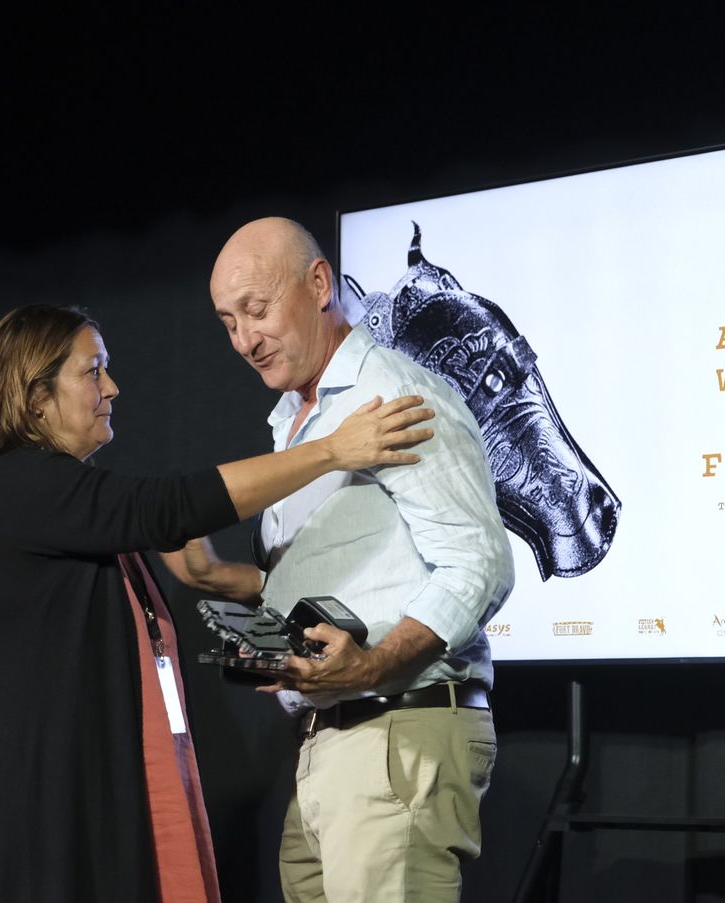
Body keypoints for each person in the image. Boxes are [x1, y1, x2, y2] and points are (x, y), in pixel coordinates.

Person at [0, 304, 435, 903]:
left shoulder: (63, 506)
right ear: (37, 397)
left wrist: (224, 582)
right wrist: (331, 451)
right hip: (56, 814)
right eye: (93, 371)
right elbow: (169, 508)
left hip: (100, 789)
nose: (111, 387)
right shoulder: (20, 485)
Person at [166, 217, 516, 902]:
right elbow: (360, 568)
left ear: (319, 283)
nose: (244, 340)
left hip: (395, 730)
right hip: (330, 740)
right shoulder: (296, 419)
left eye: (257, 310)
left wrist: (374, 664)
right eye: (228, 322)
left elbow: (480, 560)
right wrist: (230, 580)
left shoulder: (389, 395)